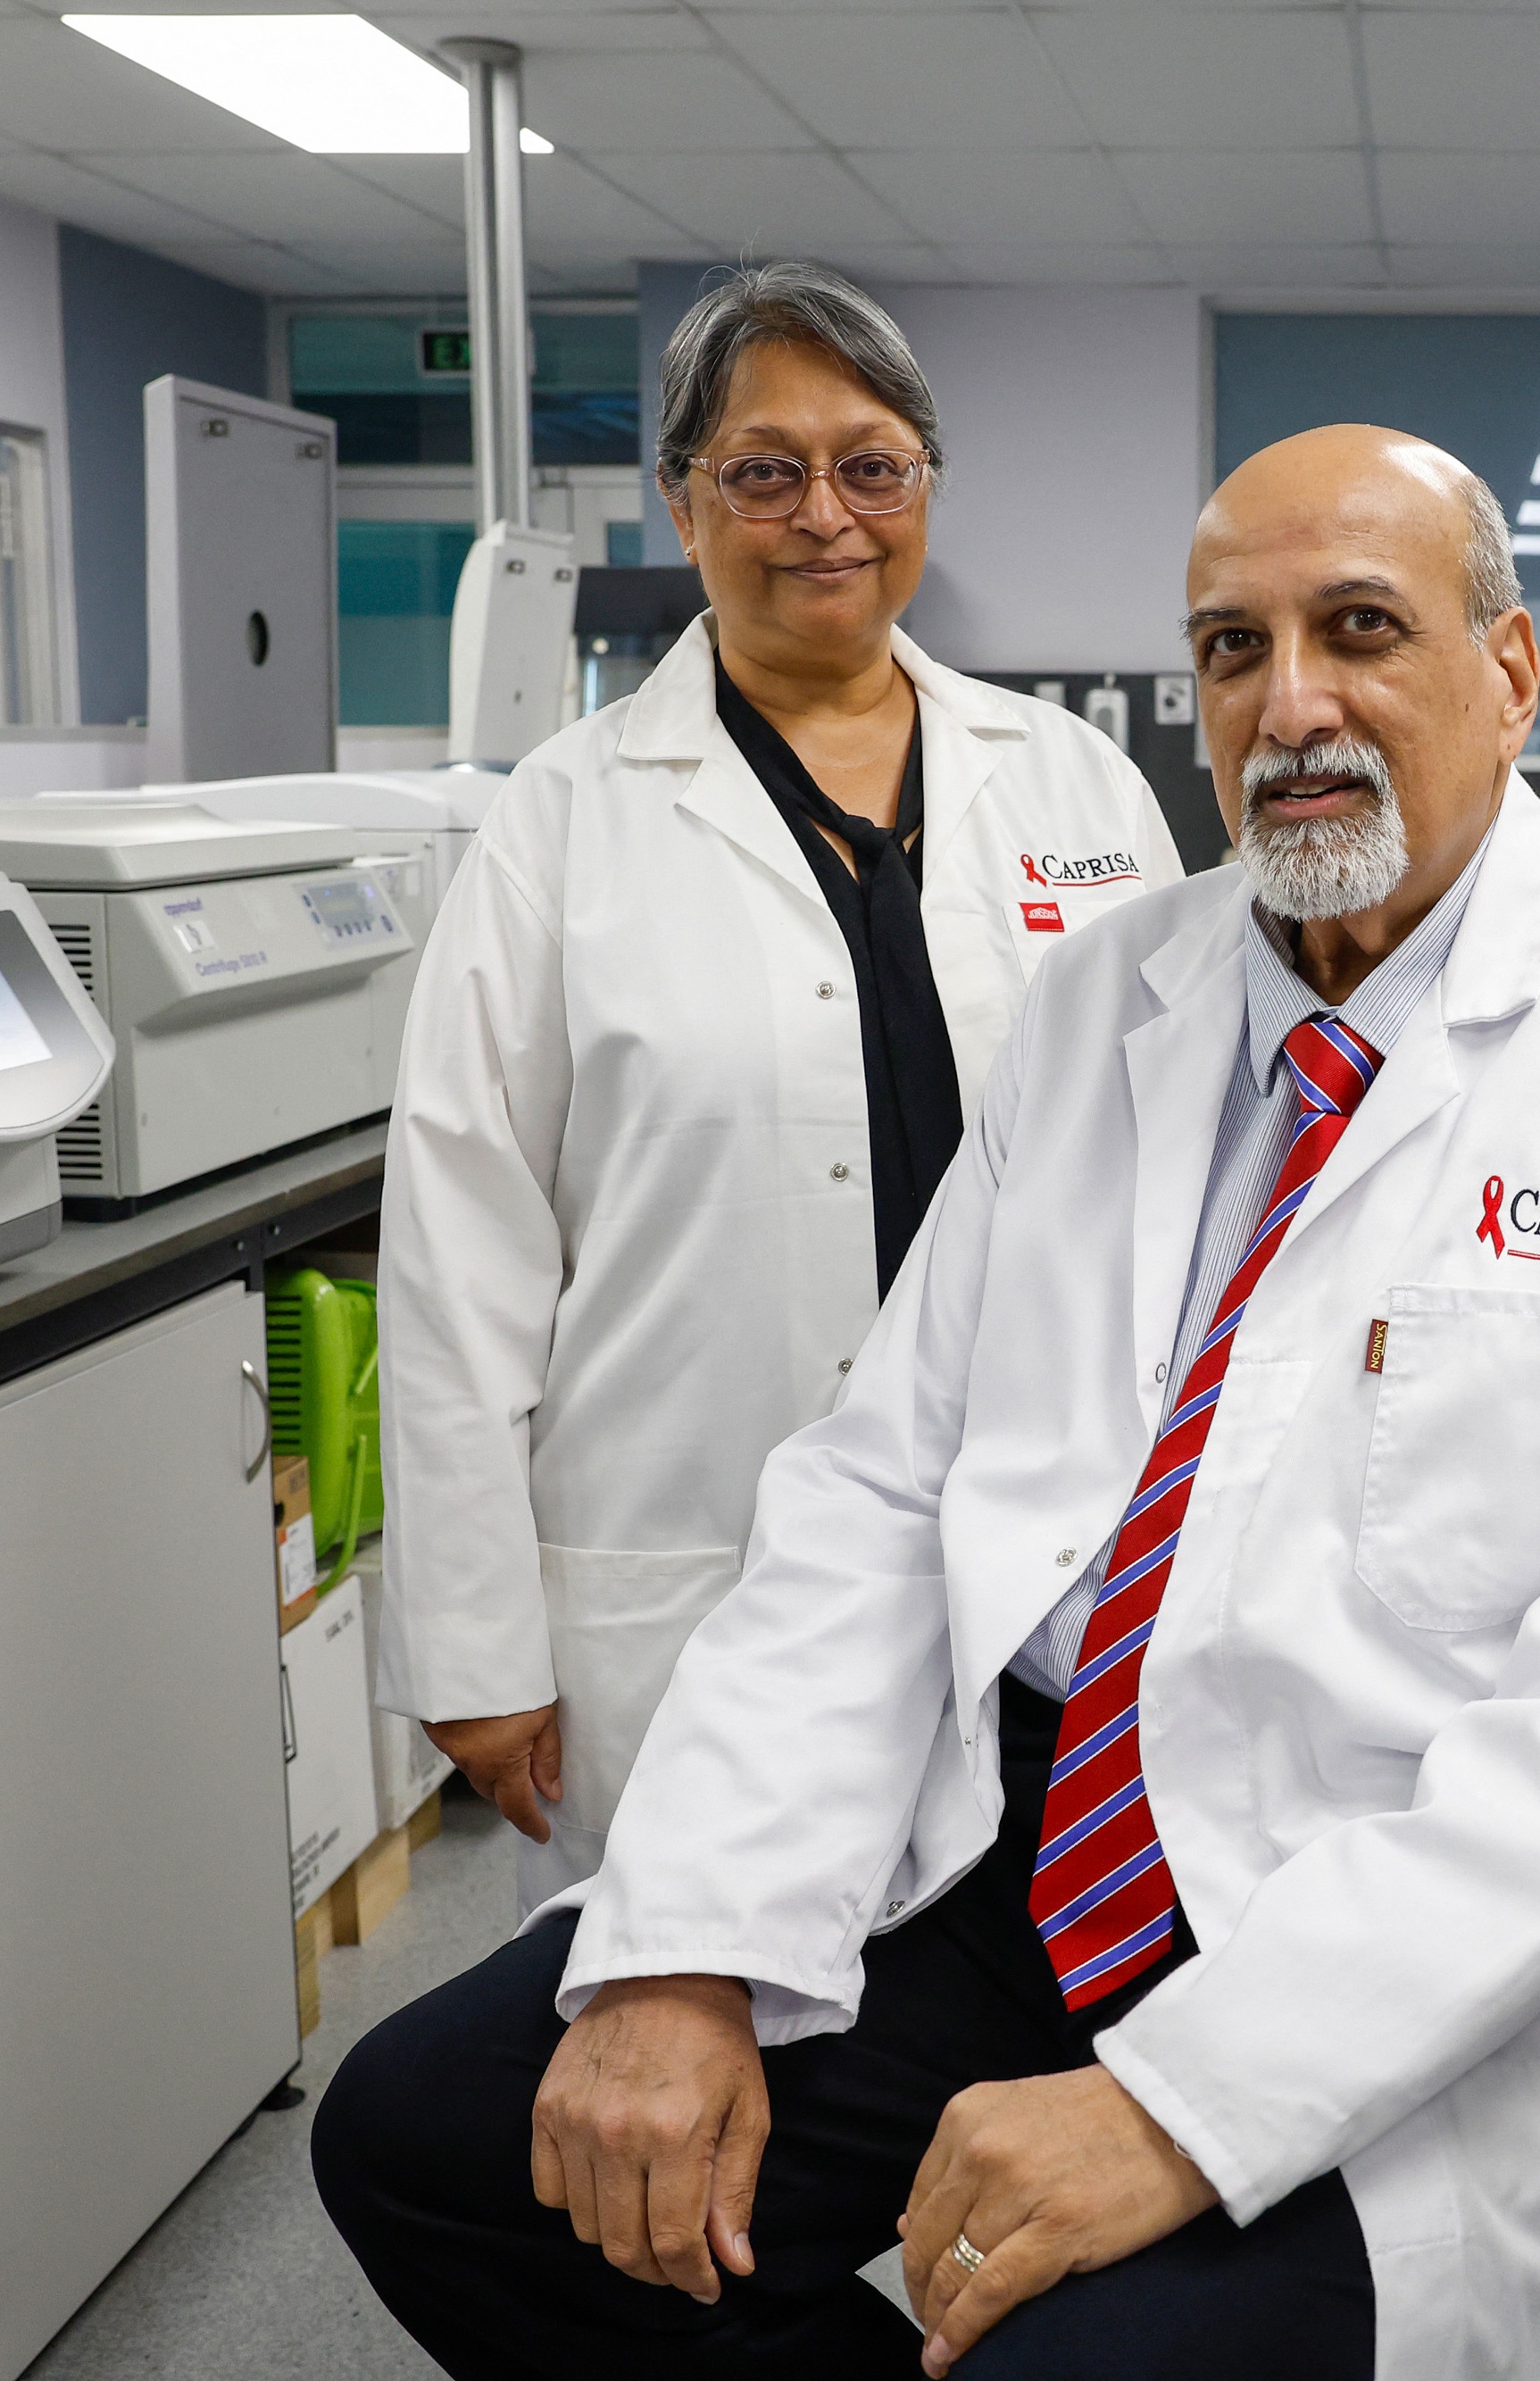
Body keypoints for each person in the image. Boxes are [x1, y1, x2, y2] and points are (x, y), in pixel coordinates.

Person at [319, 424, 1540, 2379]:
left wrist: (1181, 2101)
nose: (1287, 705)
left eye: (1359, 629)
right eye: (1231, 648)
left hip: (1458, 1898)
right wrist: (689, 1940)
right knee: (435, 2141)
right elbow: (882, 1494)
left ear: (1509, 670)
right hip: (1046, 1832)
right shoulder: (1107, 999)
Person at [373, 262, 1183, 1910]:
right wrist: (472, 1637)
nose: (827, 513)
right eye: (764, 469)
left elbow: (1186, 1165)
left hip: (1044, 1555)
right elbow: (460, 1246)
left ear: (926, 491)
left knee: (1008, 2033)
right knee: (706, 2023)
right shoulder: (566, 819)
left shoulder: (1077, 784)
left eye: (872, 464)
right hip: (698, 1562)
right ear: (684, 504)